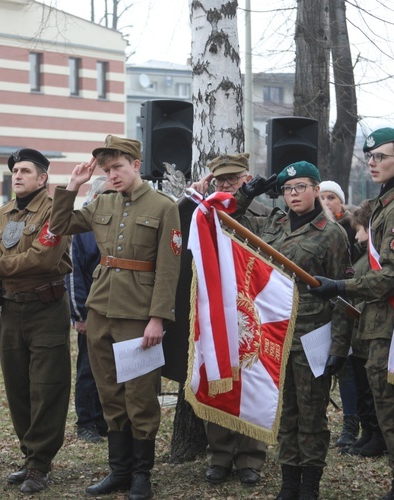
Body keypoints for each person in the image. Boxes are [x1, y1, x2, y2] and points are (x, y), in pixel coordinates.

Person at [49, 135, 181, 500]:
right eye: (107, 171)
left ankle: (142, 475)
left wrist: (158, 318)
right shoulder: (102, 202)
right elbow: (60, 226)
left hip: (139, 316)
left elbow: (169, 269)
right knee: (110, 394)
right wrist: (72, 186)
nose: (112, 176)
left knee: (140, 397)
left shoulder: (162, 206)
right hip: (100, 311)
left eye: (118, 168)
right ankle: (119, 471)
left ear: (136, 165)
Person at [235, 161, 351, 500]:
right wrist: (245, 194)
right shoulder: (274, 223)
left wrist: (339, 346)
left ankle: (309, 485)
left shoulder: (332, 234)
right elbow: (233, 222)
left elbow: (342, 293)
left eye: (301, 187)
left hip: (313, 335)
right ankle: (289, 484)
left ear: (317, 190)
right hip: (275, 334)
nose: (294, 194)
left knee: (311, 415)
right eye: (287, 189)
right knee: (285, 413)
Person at [308, 127, 394, 500]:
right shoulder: (382, 204)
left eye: (382, 157)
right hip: (378, 324)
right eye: (370, 157)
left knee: (390, 407)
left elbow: (389, 276)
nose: (373, 163)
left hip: (390, 325)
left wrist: (341, 286)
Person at [0, 148, 72, 494]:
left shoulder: (56, 211)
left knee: (47, 387)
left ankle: (41, 462)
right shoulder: (3, 214)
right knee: (18, 388)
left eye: (25, 171)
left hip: (46, 308)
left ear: (43, 178)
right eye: (15, 171)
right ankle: (29, 455)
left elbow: (43, 258)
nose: (18, 175)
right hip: (10, 309)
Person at [186, 153, 270, 486]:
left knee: (251, 379)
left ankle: (250, 458)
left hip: (252, 307)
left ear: (246, 179)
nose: (225, 185)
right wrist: (196, 197)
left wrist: (242, 199)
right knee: (217, 375)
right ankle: (219, 456)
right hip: (216, 307)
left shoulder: (264, 212)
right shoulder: (204, 211)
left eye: (232, 180)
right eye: (219, 180)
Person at [318, 181, 362, 450]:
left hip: (347, 306)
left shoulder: (353, 229)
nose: (325, 201)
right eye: (321, 196)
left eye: (331, 197)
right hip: (322, 309)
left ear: (341, 203)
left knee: (348, 370)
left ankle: (351, 424)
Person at [340, 202, 386, 458]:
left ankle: (377, 435)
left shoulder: (375, 257)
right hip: (359, 330)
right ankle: (369, 431)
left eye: (359, 230)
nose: (356, 236)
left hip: (372, 329)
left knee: (373, 389)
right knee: (362, 386)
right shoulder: (362, 253)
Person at [67, 176, 111, 444]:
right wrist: (79, 315)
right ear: (94, 198)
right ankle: (87, 422)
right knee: (88, 369)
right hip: (91, 311)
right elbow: (74, 275)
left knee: (115, 369)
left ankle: (108, 421)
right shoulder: (82, 230)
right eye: (105, 195)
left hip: (120, 309)